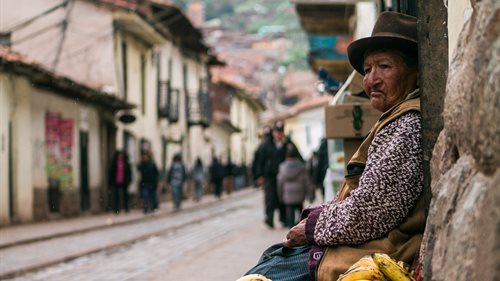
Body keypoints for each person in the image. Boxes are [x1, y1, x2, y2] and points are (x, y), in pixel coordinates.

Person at [244, 12, 425, 281]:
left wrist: (312, 227)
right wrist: (317, 216)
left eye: (384, 67)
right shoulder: (394, 119)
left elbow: (370, 213)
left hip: (375, 252)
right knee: (272, 256)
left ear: (415, 71)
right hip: (362, 244)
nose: (371, 80)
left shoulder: (407, 125)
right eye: (367, 70)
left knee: (264, 274)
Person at [254, 121, 302, 228]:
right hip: (270, 175)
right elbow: (259, 161)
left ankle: (284, 219)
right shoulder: (266, 145)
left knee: (283, 197)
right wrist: (259, 175)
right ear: (274, 133)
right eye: (277, 132)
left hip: (284, 176)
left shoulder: (288, 144)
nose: (279, 134)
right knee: (270, 197)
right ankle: (269, 218)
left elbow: (297, 157)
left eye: (280, 132)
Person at [277, 144, 315, 228]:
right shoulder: (301, 167)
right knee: (301, 216)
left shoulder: (282, 167)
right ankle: (300, 230)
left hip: (288, 196)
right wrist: (310, 195)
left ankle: (290, 232)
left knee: (290, 217)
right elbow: (307, 182)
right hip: (300, 195)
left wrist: (280, 195)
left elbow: (280, 183)